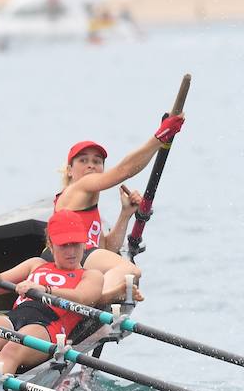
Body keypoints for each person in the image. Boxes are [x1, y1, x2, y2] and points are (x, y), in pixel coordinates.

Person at [51, 113, 184, 302]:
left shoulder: (85, 205)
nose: (91, 166)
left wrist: (125, 214)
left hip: (82, 258)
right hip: (69, 255)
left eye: (97, 161)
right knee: (130, 271)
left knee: (126, 271)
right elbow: (124, 170)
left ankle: (94, 296)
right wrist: (159, 138)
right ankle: (98, 299)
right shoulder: (78, 187)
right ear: (69, 171)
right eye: (83, 160)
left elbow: (107, 248)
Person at [0, 211, 105, 373]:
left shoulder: (91, 275)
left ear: (84, 243)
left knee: (10, 351)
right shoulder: (36, 264)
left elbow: (83, 297)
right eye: (64, 245)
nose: (71, 252)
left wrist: (45, 291)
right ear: (50, 245)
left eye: (75, 244)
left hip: (47, 325)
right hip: (14, 316)